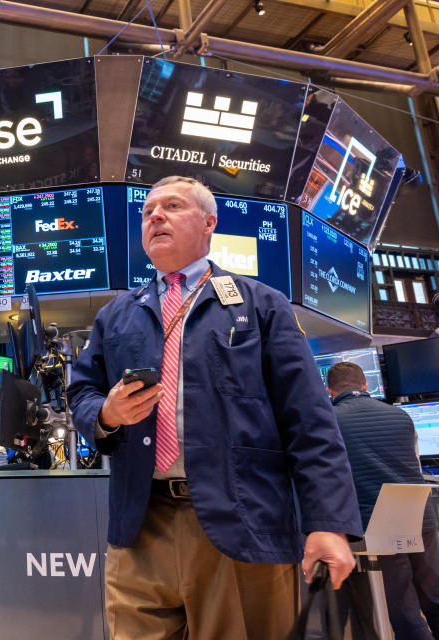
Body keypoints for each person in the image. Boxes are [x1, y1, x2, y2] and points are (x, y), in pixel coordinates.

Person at [67, 176, 362, 640]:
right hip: (139, 524)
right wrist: (106, 414)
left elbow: (309, 422)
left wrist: (328, 523)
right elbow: (81, 395)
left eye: (172, 206)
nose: (155, 216)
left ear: (209, 223)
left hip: (241, 519)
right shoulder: (117, 314)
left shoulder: (261, 304)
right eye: (147, 212)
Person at [327, 361, 439, 639]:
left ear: (329, 391)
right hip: (420, 513)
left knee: (403, 605)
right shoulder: (401, 416)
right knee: (434, 594)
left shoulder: (328, 421)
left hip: (378, 522)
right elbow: (414, 463)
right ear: (365, 385)